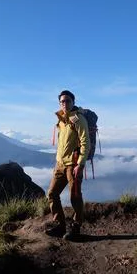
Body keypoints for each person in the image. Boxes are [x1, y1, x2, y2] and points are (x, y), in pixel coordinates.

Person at [46, 90, 90, 240]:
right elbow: (62, 144)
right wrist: (58, 161)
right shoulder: (61, 120)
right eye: (62, 101)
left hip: (73, 165)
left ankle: (76, 227)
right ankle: (60, 225)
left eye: (67, 101)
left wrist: (80, 164)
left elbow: (85, 144)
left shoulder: (78, 119)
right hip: (60, 164)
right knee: (52, 194)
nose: (65, 104)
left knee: (75, 197)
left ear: (73, 102)